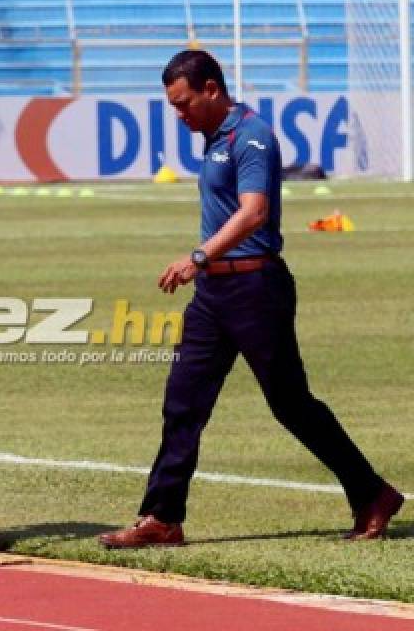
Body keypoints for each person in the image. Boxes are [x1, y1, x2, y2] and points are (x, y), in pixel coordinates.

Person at [99, 49, 403, 549]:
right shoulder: (214, 137)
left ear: (212, 90)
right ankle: (162, 517)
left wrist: (196, 257)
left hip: (255, 288)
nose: (178, 114)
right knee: (183, 401)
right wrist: (205, 269)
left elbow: (255, 212)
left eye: (184, 103)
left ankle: (372, 493)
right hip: (214, 293)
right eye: (173, 105)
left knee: (292, 405)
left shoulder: (252, 136)